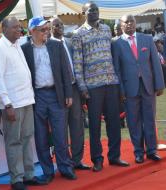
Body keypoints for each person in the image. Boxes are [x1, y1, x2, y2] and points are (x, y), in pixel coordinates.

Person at [72, 2, 129, 172]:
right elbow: (77, 63)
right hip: (92, 86)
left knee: (114, 121)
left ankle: (115, 156)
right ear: (84, 13)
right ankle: (97, 159)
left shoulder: (106, 29)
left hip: (111, 82)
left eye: (96, 9)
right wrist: (82, 87)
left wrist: (117, 80)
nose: (95, 12)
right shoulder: (77, 34)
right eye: (91, 10)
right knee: (95, 125)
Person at [0, 17, 46, 190]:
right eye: (15, 27)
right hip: (13, 104)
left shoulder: (17, 45)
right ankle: (16, 179)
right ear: (4, 28)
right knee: (14, 141)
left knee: (27, 138)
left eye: (20, 27)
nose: (19, 30)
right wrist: (7, 104)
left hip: (27, 100)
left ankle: (29, 175)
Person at [21, 16, 76, 183]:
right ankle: (47, 171)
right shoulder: (24, 49)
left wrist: (68, 94)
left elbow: (66, 71)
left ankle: (65, 167)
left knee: (60, 134)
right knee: (41, 136)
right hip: (37, 96)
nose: (47, 32)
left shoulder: (56, 45)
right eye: (43, 30)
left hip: (56, 94)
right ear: (32, 31)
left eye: (48, 29)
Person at [112, 15, 165, 164]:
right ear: (121, 26)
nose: (129, 24)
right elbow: (117, 70)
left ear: (135, 23)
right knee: (133, 121)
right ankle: (138, 152)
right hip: (129, 89)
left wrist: (159, 85)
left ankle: (152, 150)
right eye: (126, 22)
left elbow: (155, 63)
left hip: (148, 86)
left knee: (149, 118)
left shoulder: (147, 39)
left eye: (131, 21)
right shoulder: (116, 44)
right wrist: (121, 90)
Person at [51, 17, 90, 170]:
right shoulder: (48, 45)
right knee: (61, 128)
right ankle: (65, 161)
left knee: (77, 126)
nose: (59, 27)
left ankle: (77, 160)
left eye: (61, 24)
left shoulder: (69, 42)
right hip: (59, 92)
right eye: (55, 25)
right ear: (50, 27)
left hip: (74, 88)